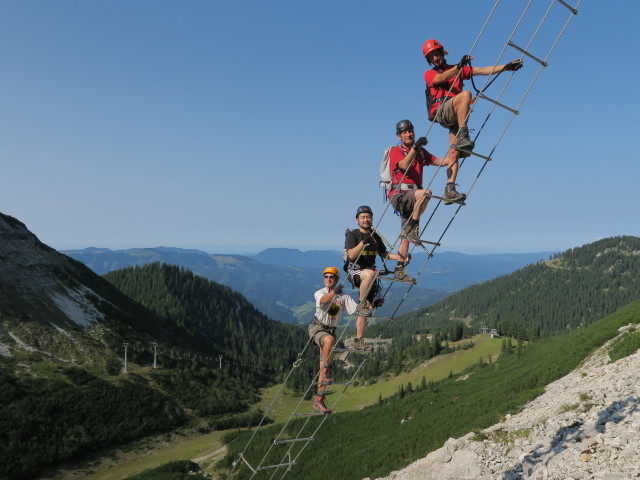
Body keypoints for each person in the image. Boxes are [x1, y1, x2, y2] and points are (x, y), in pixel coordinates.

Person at [389, 119, 465, 275]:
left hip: (413, 197)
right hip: (400, 195)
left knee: (405, 238)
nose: (409, 134)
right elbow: (403, 165)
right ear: (399, 136)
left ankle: (399, 269)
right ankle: (414, 225)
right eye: (405, 132)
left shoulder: (421, 153)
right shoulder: (396, 151)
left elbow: (438, 161)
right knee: (427, 193)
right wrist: (416, 147)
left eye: (410, 131)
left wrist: (456, 155)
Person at [423, 38, 523, 155]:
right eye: (431, 57)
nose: (435, 59)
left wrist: (506, 67)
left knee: (454, 154)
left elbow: (482, 70)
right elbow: (441, 78)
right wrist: (458, 67)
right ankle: (464, 134)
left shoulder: (457, 69)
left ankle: (461, 141)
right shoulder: (429, 73)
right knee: (466, 94)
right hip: (442, 112)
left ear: (441, 52)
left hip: (455, 115)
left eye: (436, 55)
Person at [345, 205, 407, 351]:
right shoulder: (352, 235)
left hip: (369, 276)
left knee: (368, 309)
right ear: (357, 220)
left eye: (368, 217)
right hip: (355, 271)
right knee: (369, 275)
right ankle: (362, 302)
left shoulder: (374, 236)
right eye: (362, 217)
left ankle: (358, 340)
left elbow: (384, 254)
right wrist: (363, 242)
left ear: (371, 218)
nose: (366, 219)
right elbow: (351, 255)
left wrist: (401, 258)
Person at [308, 266, 358, 414]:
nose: (328, 280)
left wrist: (373, 304)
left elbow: (357, 310)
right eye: (326, 277)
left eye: (331, 277)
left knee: (323, 365)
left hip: (331, 330)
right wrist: (334, 293)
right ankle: (328, 369)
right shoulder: (320, 293)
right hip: (317, 328)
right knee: (329, 341)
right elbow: (323, 301)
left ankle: (319, 400)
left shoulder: (343, 296)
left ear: (336, 280)